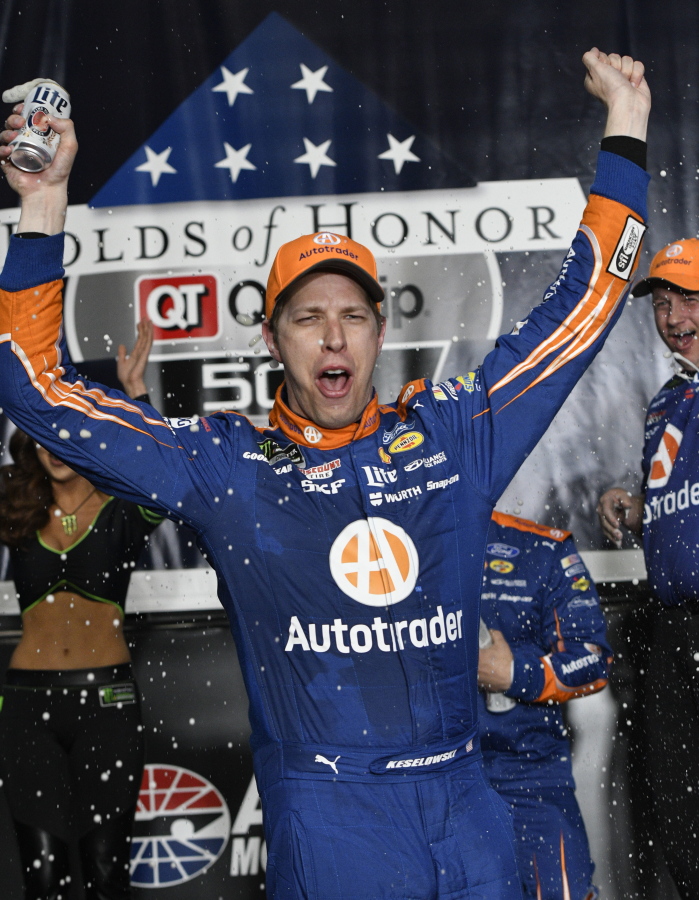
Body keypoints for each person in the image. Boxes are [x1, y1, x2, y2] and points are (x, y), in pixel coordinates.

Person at [0, 48, 650, 899]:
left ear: (381, 332)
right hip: (330, 813)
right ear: (272, 341)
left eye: (352, 315)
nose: (333, 337)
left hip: (468, 806)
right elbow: (37, 392)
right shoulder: (222, 466)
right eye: (308, 317)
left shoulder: (453, 436)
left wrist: (627, 129)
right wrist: (44, 206)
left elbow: (586, 301)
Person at [0, 322, 162, 900]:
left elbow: (158, 467)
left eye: (68, 429)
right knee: (43, 876)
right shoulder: (14, 503)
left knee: (105, 873)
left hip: (108, 708)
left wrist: (135, 392)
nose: (55, 443)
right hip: (25, 709)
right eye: (46, 429)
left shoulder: (124, 508)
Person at [597, 238, 699, 900]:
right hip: (671, 626)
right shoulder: (666, 400)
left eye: (686, 298)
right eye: (661, 303)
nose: (671, 315)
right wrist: (637, 508)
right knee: (675, 805)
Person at [478, 512, 611, 900]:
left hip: (529, 775)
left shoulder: (543, 547)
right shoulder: (395, 544)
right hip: (430, 777)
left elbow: (593, 660)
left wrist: (518, 673)